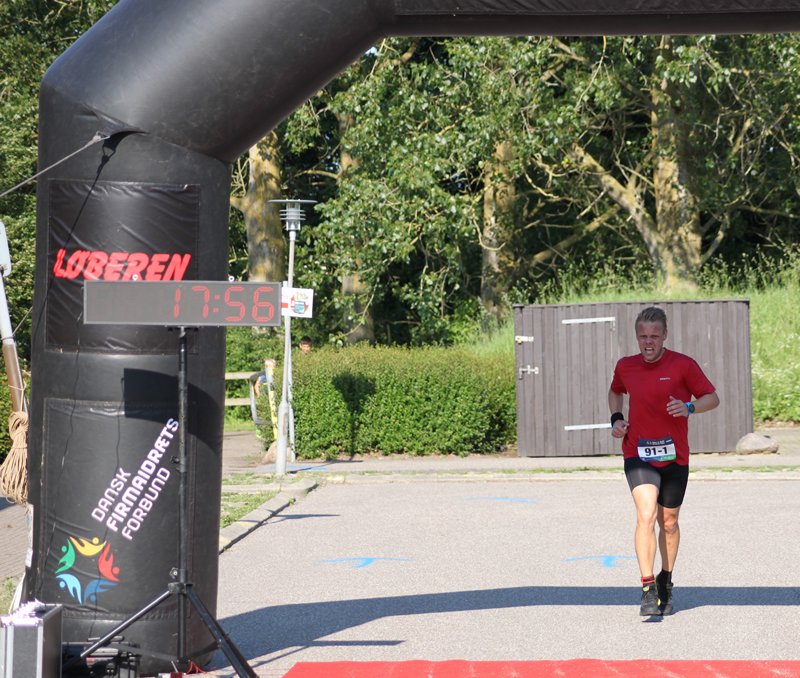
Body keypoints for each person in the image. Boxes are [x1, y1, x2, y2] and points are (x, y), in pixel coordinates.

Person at [608, 306, 719, 616]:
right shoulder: (626, 366)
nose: (648, 342)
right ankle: (647, 589)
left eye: (654, 336)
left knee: (668, 523)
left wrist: (689, 407)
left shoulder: (683, 365)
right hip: (638, 452)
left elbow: (712, 398)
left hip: (674, 456)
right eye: (643, 336)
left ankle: (665, 580)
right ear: (637, 336)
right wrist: (616, 418)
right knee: (645, 514)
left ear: (665, 335)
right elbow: (615, 391)